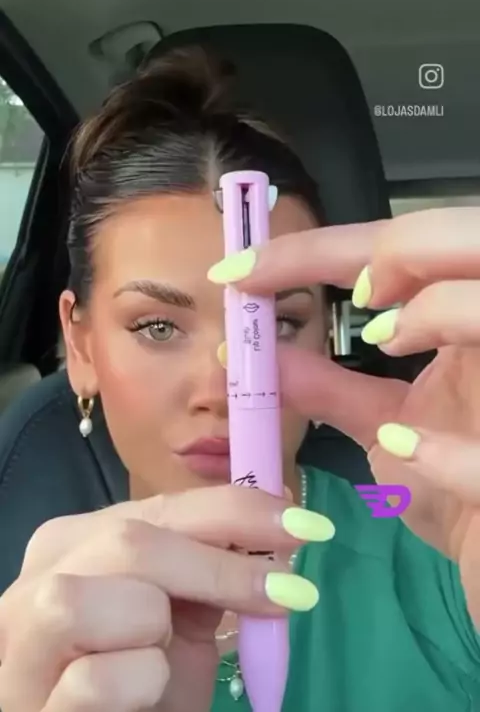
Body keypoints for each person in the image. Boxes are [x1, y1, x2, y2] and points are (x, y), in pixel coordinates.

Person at [0, 46, 478, 712]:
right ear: (80, 345)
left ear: (326, 338)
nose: (223, 391)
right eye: (157, 326)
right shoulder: (29, 614)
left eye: (278, 323)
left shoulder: (443, 557)